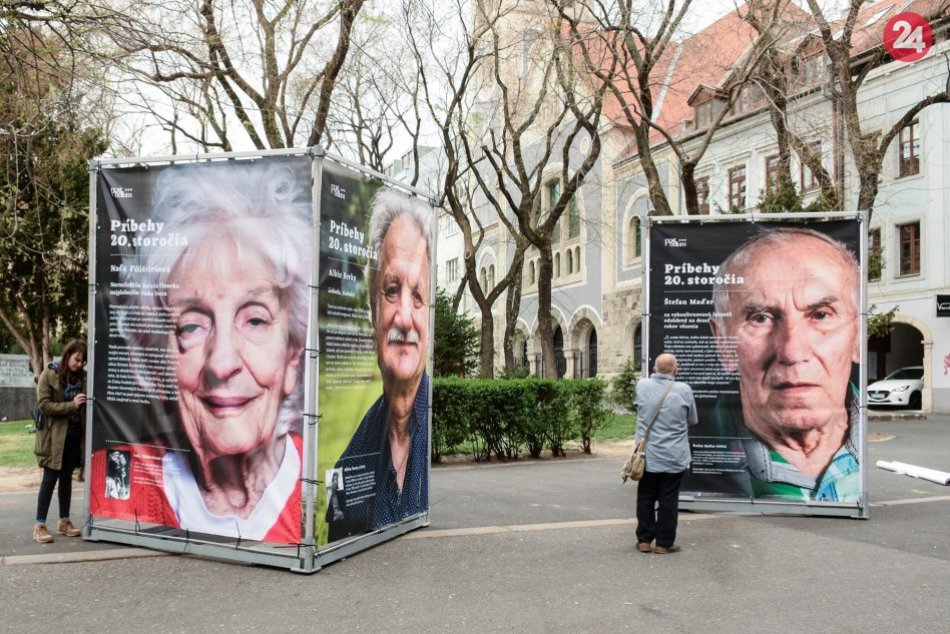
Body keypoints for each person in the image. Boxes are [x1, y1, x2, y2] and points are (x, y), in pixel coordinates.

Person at [90, 160, 311, 543]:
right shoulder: (114, 476)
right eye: (191, 325)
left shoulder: (321, 478)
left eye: (255, 320)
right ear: (159, 360)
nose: (221, 364)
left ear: (292, 354)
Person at [707, 227, 861, 501]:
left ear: (859, 335)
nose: (792, 351)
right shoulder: (702, 443)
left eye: (821, 314)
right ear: (722, 341)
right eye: (761, 318)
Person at [327, 188, 432, 542]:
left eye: (418, 295)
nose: (404, 316)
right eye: (391, 290)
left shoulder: (431, 422)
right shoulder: (347, 465)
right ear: (373, 313)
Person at [634, 353, 698, 554]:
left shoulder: (641, 386)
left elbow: (639, 410)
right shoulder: (684, 390)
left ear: (654, 369)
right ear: (675, 370)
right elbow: (692, 419)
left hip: (648, 456)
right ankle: (664, 543)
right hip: (674, 456)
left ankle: (644, 540)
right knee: (669, 500)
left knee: (645, 497)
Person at [33, 340, 88, 543]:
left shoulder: (84, 379)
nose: (79, 364)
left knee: (66, 479)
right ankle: (39, 525)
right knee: (50, 479)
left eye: (83, 361)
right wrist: (71, 406)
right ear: (67, 355)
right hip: (54, 438)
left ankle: (64, 521)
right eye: (77, 359)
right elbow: (45, 406)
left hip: (74, 437)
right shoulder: (50, 375)